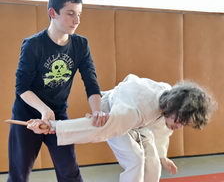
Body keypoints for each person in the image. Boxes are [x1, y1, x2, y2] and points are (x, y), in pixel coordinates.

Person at [27, 74, 216, 182]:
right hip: (111, 110)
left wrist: (161, 155)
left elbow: (161, 130)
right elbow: (98, 130)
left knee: (153, 164)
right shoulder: (133, 110)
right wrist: (53, 127)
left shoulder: (168, 100)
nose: (179, 127)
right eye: (180, 121)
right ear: (173, 108)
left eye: (184, 123)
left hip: (140, 122)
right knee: (135, 159)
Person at [7, 0, 109, 182]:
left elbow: (91, 80)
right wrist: (43, 110)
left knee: (69, 171)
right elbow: (22, 88)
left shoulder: (81, 45)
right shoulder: (33, 45)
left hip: (58, 115)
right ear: (52, 13)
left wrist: (97, 110)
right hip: (27, 115)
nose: (76, 20)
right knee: (19, 174)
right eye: (70, 13)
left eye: (79, 14)